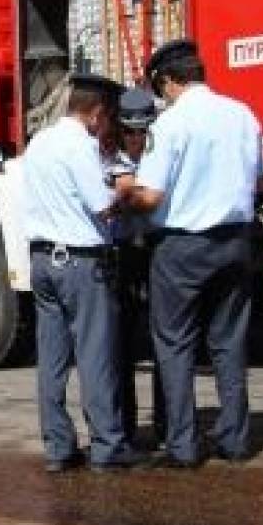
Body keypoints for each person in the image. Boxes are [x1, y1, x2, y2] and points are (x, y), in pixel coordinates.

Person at [119, 39, 263, 466]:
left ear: (168, 81)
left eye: (160, 87)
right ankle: (237, 441)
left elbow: (151, 196)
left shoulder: (168, 126)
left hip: (183, 248)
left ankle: (182, 446)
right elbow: (261, 183)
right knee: (229, 343)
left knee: (174, 344)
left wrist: (125, 197)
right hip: (236, 242)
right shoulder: (243, 114)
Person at [23, 72, 138, 473]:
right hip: (80, 263)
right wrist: (124, 194)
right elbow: (100, 205)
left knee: (51, 360)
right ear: (98, 113)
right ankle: (107, 445)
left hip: (41, 260)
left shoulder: (39, 141)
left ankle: (58, 447)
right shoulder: (81, 146)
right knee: (95, 354)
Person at [107, 88, 166, 447]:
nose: (135, 139)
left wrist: (131, 195)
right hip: (126, 255)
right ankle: (125, 427)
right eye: (129, 132)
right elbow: (122, 194)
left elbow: (130, 196)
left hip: (159, 253)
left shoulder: (162, 155)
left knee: (165, 343)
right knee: (122, 345)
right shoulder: (113, 159)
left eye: (141, 132)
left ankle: (166, 424)